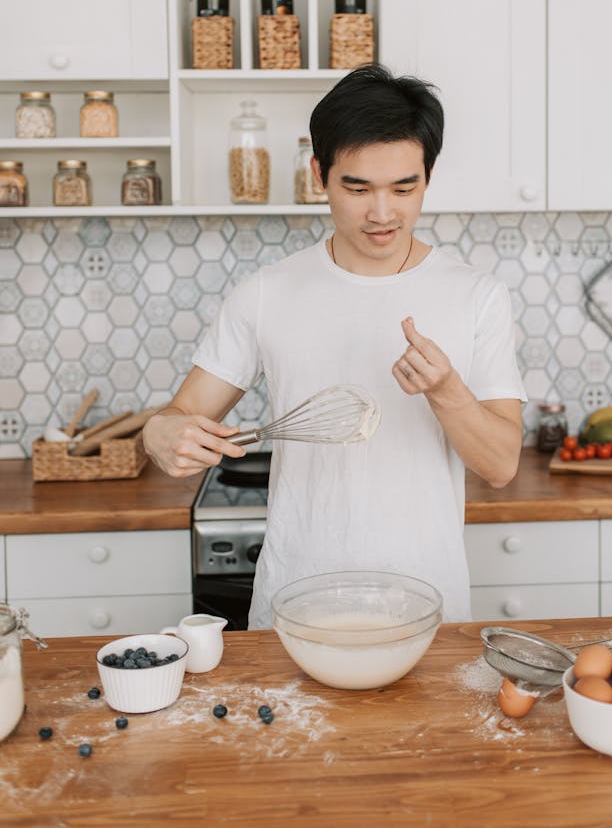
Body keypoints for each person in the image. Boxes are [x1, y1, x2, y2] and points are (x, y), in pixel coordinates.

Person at [142, 64, 526, 627]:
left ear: (428, 175)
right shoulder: (266, 294)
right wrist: (160, 433)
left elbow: (500, 465)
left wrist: (446, 392)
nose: (382, 212)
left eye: (404, 187)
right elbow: (180, 415)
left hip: (427, 609)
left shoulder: (477, 296)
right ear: (320, 173)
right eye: (357, 187)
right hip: (294, 604)